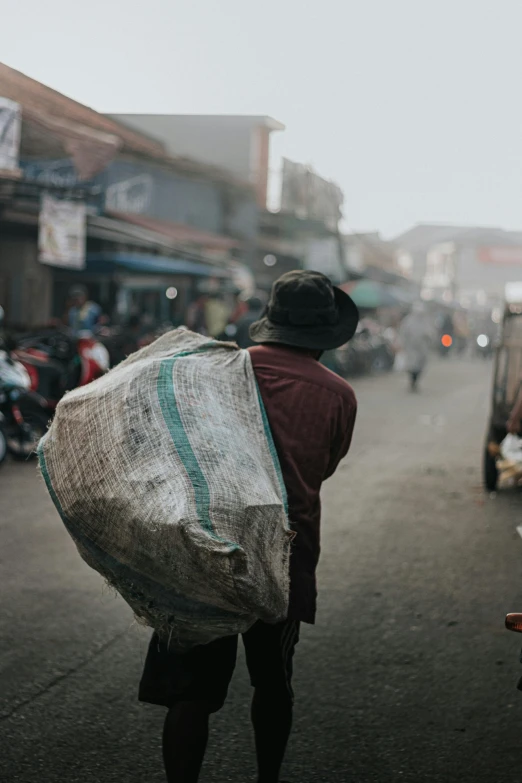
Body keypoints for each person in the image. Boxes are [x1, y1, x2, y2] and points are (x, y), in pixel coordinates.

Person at [139, 270, 359, 783]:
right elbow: (324, 467)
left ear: (271, 321)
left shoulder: (223, 370)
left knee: (192, 691)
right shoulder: (339, 394)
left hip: (206, 544)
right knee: (273, 682)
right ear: (325, 334)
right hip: (284, 554)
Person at [398, 302, 433, 391]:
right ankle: (412, 381)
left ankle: (416, 381)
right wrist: (404, 344)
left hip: (422, 348)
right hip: (411, 347)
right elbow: (403, 333)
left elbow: (430, 333)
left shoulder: (426, 321)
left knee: (420, 366)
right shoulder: (408, 321)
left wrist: (427, 337)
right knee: (411, 366)